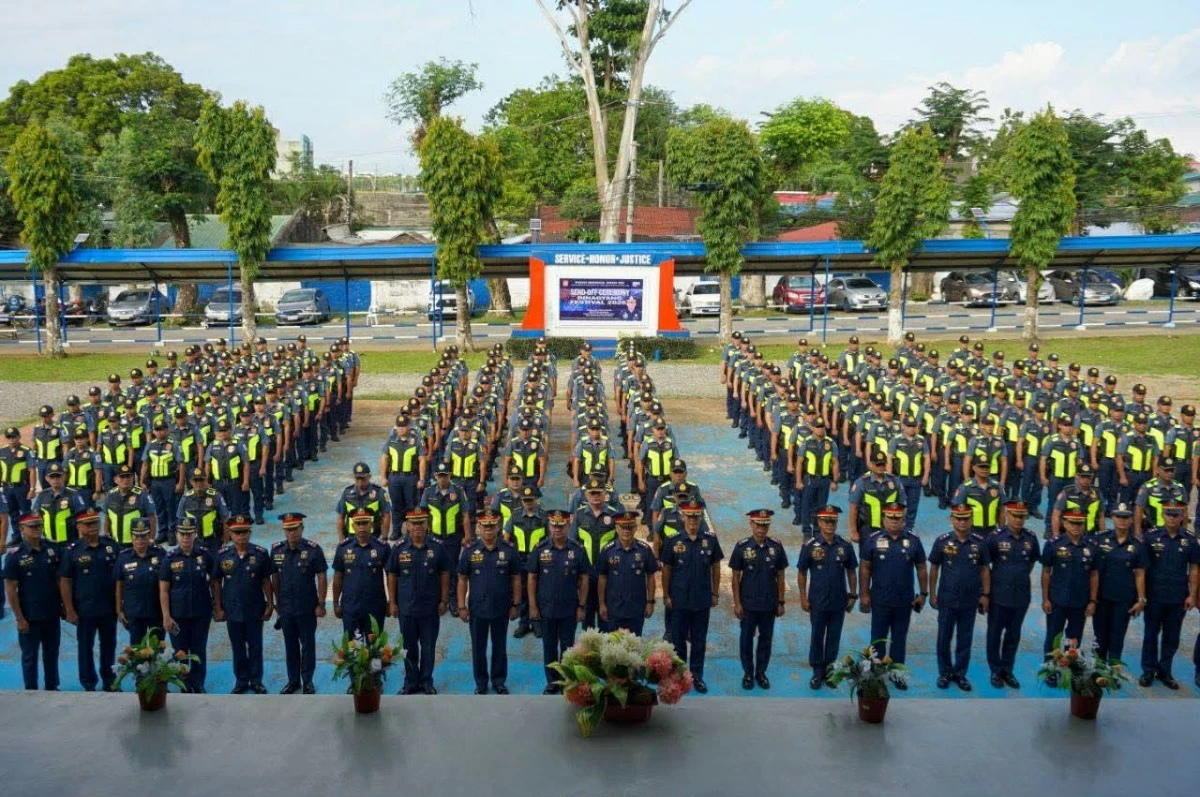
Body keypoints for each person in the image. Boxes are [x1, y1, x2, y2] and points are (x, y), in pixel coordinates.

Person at [859, 503, 928, 688]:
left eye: (898, 518)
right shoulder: (873, 540)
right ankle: (876, 675)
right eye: (890, 518)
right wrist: (864, 594)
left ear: (903, 520)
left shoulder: (913, 541)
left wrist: (923, 594)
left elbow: (921, 567)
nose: (894, 521)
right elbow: (865, 568)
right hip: (880, 600)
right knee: (877, 639)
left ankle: (897, 674)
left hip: (904, 601)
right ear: (883, 519)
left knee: (899, 639)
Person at [659, 499, 723, 694]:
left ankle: (696, 676)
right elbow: (666, 569)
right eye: (689, 516)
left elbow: (716, 567)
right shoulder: (673, 541)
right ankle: (680, 676)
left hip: (702, 600)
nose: (693, 519)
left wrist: (715, 593)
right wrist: (666, 595)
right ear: (683, 517)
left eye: (696, 516)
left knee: (699, 640)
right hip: (679, 600)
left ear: (700, 517)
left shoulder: (710, 540)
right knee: (678, 641)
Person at [457, 510, 522, 695]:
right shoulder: (469, 551)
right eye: (484, 526)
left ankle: (499, 681)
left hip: (501, 608)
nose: (488, 529)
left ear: (498, 526)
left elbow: (516, 579)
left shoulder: (509, 551)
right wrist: (461, 606)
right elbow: (462, 579)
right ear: (478, 527)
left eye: (492, 526)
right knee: (478, 648)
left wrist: (516, 604)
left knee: (500, 646)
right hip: (477, 609)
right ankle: (481, 683)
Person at [929, 504, 992, 691]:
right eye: (958, 518)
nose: (962, 522)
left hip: (970, 600)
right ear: (952, 519)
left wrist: (985, 594)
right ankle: (944, 672)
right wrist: (932, 594)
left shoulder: (980, 543)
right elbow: (934, 568)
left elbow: (985, 569)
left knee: (965, 639)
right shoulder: (942, 542)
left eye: (966, 519)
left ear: (971, 520)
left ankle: (960, 673)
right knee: (944, 637)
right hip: (947, 598)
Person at [386, 508, 448, 695]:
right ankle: (411, 682)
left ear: (427, 524)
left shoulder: (437, 547)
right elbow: (392, 575)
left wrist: (444, 600)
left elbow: (445, 573)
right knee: (408, 648)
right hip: (407, 608)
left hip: (430, 608)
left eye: (421, 522)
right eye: (414, 523)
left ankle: (427, 682)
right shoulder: (399, 548)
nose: (418, 526)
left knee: (428, 648)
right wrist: (392, 602)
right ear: (407, 525)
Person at [796, 505, 857, 689]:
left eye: (833, 521)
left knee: (834, 636)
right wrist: (803, 597)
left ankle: (830, 669)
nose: (830, 524)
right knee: (817, 635)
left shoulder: (845, 545)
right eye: (826, 521)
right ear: (819, 522)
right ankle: (817, 671)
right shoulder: (810, 546)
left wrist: (853, 595)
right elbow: (802, 572)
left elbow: (851, 571)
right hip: (818, 600)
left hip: (839, 600)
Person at [58, 508, 120, 691]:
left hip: (108, 607)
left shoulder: (111, 546)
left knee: (109, 645)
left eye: (95, 522)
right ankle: (88, 682)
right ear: (79, 526)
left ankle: (110, 680)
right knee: (85, 647)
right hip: (84, 609)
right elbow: (65, 581)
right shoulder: (72, 551)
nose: (93, 526)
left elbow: (120, 579)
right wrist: (69, 609)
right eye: (88, 523)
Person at [529, 508, 589, 694]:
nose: (557, 529)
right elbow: (532, 578)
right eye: (554, 525)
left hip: (569, 608)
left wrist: (581, 606)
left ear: (568, 525)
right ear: (549, 526)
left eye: (561, 525)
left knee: (568, 647)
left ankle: (566, 681)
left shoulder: (578, 550)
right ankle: (552, 682)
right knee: (549, 647)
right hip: (546, 608)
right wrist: (532, 605)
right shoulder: (540, 549)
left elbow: (584, 579)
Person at [214, 514, 275, 694]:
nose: (241, 536)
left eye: (244, 532)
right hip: (232, 610)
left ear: (250, 532)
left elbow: (266, 580)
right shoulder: (222, 555)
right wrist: (218, 607)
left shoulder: (261, 554)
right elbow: (216, 582)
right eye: (237, 532)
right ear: (230, 534)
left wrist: (270, 604)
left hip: (255, 609)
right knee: (238, 648)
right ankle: (241, 681)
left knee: (256, 647)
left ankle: (256, 681)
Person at [729, 508, 788, 690]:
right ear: (751, 524)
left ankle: (761, 673)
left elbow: (781, 575)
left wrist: (781, 602)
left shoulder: (776, 547)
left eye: (765, 525)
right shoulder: (742, 547)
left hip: (769, 605)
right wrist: (737, 603)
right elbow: (735, 577)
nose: (761, 528)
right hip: (748, 605)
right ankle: (748, 673)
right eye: (758, 525)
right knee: (746, 640)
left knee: (766, 640)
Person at [1140, 502, 1198, 689]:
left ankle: (1165, 671)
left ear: (1182, 517)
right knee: (1150, 634)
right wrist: (1141, 596)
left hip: (1178, 597)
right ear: (1163, 515)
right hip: (1154, 595)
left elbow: (1194, 569)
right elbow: (1142, 569)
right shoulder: (1151, 537)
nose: (1172, 518)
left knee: (1172, 637)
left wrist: (1193, 594)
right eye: (1169, 514)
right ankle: (1148, 670)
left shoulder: (1190, 540)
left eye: (1176, 514)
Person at [985, 500, 1040, 688]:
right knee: (994, 634)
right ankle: (995, 670)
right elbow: (984, 565)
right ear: (1007, 515)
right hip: (998, 595)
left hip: (1021, 595)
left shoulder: (1031, 538)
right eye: (1015, 515)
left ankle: (1007, 670)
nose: (1018, 519)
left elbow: (1031, 563)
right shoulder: (995, 537)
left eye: (1022, 516)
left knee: (1013, 635)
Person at [1039, 510, 1098, 685]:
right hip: (1057, 600)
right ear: (1064, 523)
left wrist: (1092, 601)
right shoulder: (1054, 544)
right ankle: (1051, 669)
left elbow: (1094, 574)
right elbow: (1046, 572)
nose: (1075, 526)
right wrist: (1045, 598)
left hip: (1080, 602)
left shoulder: (1091, 546)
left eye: (1079, 523)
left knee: (1074, 638)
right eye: (1072, 522)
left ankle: (1069, 670)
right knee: (1053, 637)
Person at [159, 518, 217, 693]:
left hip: (201, 613)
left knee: (199, 650)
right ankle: (184, 685)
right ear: (176, 535)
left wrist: (216, 605)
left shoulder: (205, 555)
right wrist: (166, 616)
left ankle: (198, 684)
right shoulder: (169, 558)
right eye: (182, 534)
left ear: (195, 534)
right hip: (178, 615)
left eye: (189, 533)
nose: (186, 537)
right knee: (180, 652)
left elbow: (215, 582)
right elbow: (163, 590)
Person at [271, 512, 327, 695]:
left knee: (308, 646)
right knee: (290, 646)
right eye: (288, 529)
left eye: (295, 529)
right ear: (284, 531)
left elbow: (321, 576)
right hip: (286, 608)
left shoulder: (313, 550)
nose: (292, 533)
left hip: (307, 607)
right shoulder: (277, 551)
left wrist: (321, 603)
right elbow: (274, 578)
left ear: (302, 529)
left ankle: (307, 681)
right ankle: (293, 681)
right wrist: (277, 604)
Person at [4, 514, 62, 690]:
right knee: (30, 656)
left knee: (52, 653)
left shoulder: (52, 549)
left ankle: (52, 686)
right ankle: (31, 689)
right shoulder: (15, 556)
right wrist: (19, 618)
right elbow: (11, 589)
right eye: (32, 526)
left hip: (52, 612)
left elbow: (60, 580)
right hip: (30, 615)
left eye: (39, 526)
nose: (37, 529)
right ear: (22, 529)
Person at [1091, 502, 1147, 664]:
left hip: (1124, 598)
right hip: (1102, 596)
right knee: (1100, 635)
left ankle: (1113, 670)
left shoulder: (1138, 544)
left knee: (1118, 635)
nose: (1122, 520)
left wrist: (1141, 599)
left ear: (1131, 520)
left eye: (1126, 517)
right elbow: (1092, 570)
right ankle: (1097, 668)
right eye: (1119, 516)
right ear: (1113, 518)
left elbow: (1140, 573)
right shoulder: (1100, 539)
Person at [332, 509, 390, 640]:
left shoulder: (382, 548)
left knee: (375, 648)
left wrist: (391, 602)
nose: (361, 527)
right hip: (351, 607)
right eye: (358, 523)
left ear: (371, 525)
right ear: (353, 526)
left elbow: (391, 576)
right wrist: (335, 603)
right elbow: (338, 576)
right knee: (352, 648)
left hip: (375, 607)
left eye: (365, 523)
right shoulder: (343, 548)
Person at [596, 510, 655, 636]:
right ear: (617, 528)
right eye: (623, 527)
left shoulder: (645, 550)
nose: (626, 531)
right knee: (613, 645)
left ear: (635, 528)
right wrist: (601, 603)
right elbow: (602, 577)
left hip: (637, 608)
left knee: (635, 645)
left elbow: (650, 576)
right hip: (614, 608)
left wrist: (650, 602)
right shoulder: (607, 550)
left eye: (630, 527)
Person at [420, 462, 469, 613]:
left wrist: (467, 536)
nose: (442, 479)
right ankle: (438, 599)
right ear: (435, 476)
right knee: (434, 569)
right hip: (433, 539)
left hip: (453, 538)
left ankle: (453, 601)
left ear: (450, 476)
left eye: (445, 476)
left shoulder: (459, 491)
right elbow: (423, 516)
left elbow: (465, 515)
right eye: (440, 476)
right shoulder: (428, 492)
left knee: (452, 570)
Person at [114, 518, 165, 645]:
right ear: (131, 537)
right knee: (137, 650)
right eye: (136, 536)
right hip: (134, 612)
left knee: (156, 649)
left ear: (149, 536)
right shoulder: (124, 557)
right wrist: (119, 610)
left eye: (143, 536)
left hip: (156, 612)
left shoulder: (160, 554)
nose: (140, 540)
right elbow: (119, 585)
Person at [380, 414, 426, 534]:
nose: (401, 429)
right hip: (394, 478)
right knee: (396, 505)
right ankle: (396, 530)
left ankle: (411, 531)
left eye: (403, 426)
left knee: (411, 505)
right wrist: (383, 477)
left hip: (410, 477)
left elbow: (422, 460)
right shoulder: (391, 440)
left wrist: (421, 479)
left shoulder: (416, 440)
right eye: (399, 426)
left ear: (409, 427)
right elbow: (384, 458)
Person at [336, 462, 391, 542]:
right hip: (351, 538)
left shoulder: (379, 493)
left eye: (363, 478)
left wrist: (384, 538)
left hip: (373, 537)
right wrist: (341, 541)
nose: (360, 482)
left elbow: (386, 516)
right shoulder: (346, 493)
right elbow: (341, 517)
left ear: (369, 477)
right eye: (357, 479)